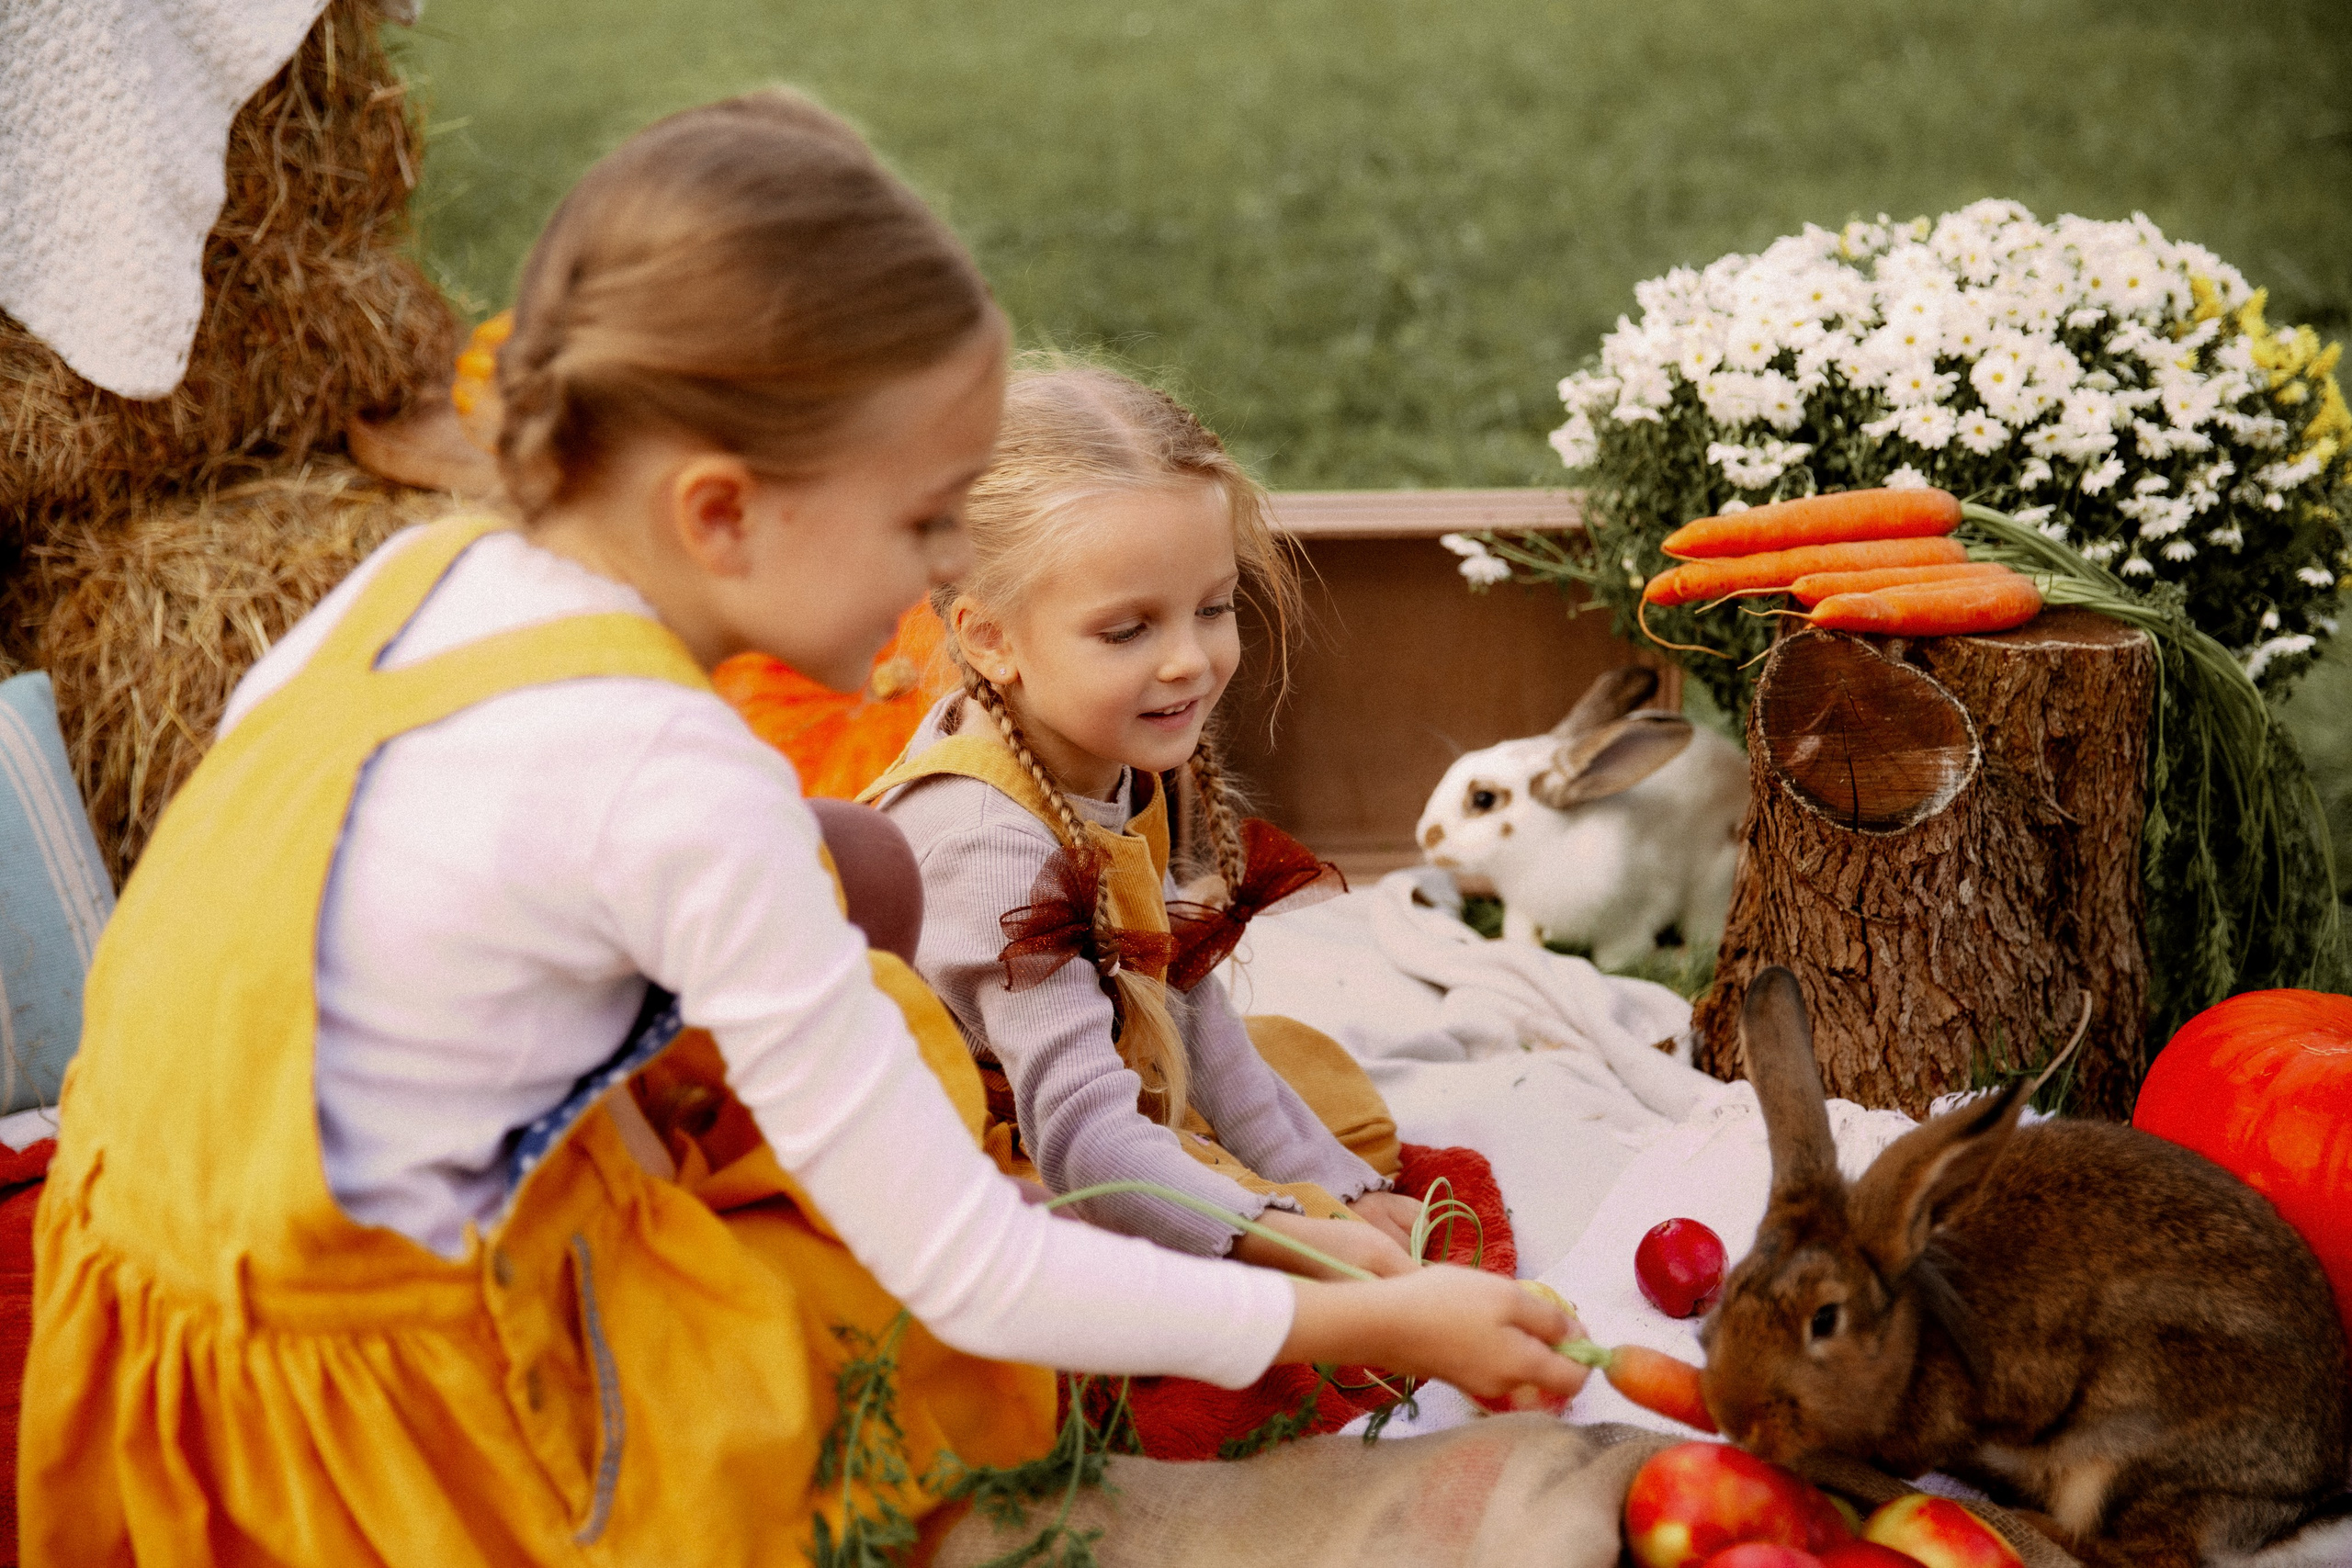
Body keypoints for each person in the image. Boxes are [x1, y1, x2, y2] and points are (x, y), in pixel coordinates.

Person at [20, 91, 1584, 1565]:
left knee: (868, 959)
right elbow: (967, 1262)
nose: (933, 588)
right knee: (871, 1321)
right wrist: (1356, 1321)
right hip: (383, 1415)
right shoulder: (671, 781)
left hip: (153, 1312)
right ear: (722, 511)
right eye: (918, 524)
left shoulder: (410, 582)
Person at [865, 366, 1433, 1283]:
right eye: (1128, 631)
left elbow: (1180, 999)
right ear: (989, 638)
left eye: (1212, 609)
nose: (1188, 661)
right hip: (992, 1163)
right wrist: (1294, 1234)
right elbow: (1083, 1144)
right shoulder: (986, 843)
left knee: (1298, 1090)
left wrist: (1334, 1184)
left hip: (1081, 1091)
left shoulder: (1094, 748)